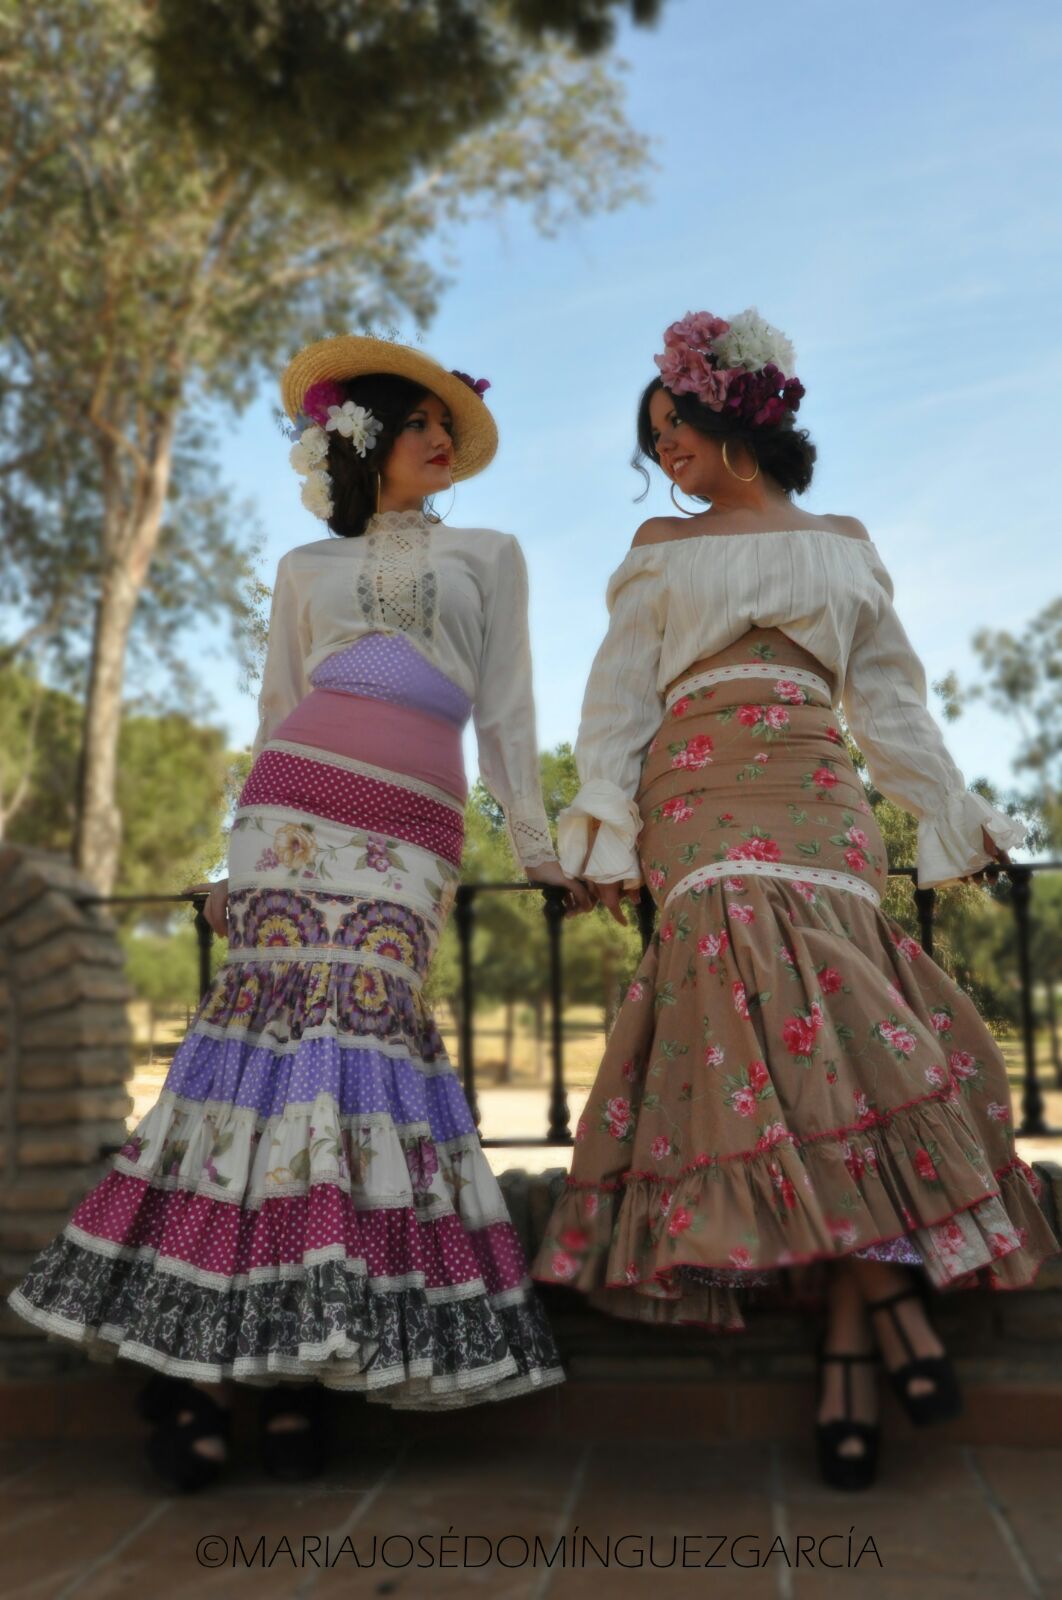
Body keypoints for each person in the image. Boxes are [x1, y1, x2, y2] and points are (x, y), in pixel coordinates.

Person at [9, 334, 585, 1491]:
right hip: (287, 819)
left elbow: (509, 711)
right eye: (415, 421)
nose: (439, 438)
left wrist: (542, 847)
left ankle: (301, 1367)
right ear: (364, 439)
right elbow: (277, 708)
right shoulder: (301, 569)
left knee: (354, 1063)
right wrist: (230, 853)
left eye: (447, 424)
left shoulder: (489, 552)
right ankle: (216, 1373)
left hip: (410, 833)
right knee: (250, 1083)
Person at [531, 308, 1058, 1490]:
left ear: (736, 416)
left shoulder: (849, 541)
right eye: (653, 437)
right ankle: (899, 1320)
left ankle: (846, 1350)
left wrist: (952, 819)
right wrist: (603, 834)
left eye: (676, 426)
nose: (663, 452)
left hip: (823, 789)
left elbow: (893, 703)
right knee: (748, 1008)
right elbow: (615, 701)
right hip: (698, 793)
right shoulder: (661, 546)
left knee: (821, 1057)